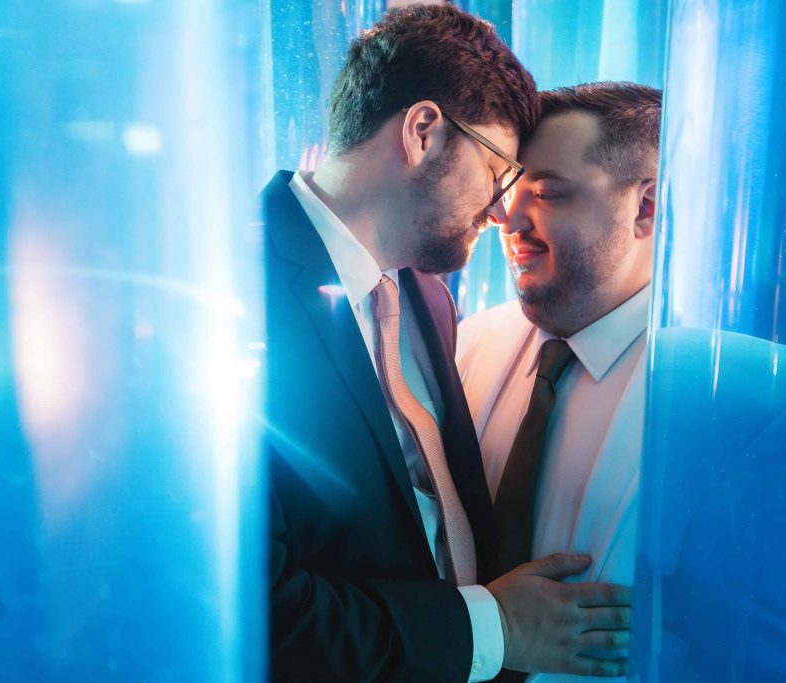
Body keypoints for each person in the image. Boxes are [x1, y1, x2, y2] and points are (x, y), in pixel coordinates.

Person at [264, 7, 631, 682]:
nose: (501, 209)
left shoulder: (430, 299)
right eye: (498, 170)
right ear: (423, 131)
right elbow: (261, 613)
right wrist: (494, 626)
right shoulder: (236, 291)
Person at [456, 81, 662, 682]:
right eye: (511, 189)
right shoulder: (465, 344)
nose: (508, 217)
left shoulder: (707, 393)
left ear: (644, 208)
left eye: (547, 192)